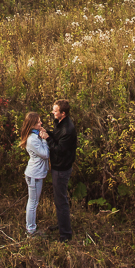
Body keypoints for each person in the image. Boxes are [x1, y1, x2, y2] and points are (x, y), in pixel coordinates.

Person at [44, 99, 77, 242]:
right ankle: (62, 225)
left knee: (61, 201)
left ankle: (65, 235)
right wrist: (48, 133)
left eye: (55, 111)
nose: (53, 112)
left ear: (62, 113)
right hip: (59, 167)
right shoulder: (60, 124)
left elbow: (59, 149)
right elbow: (57, 138)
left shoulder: (68, 129)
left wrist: (47, 139)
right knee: (59, 199)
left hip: (61, 169)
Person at [19, 112, 50, 237]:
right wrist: (45, 140)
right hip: (34, 175)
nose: (41, 123)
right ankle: (31, 230)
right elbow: (45, 154)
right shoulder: (33, 139)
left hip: (36, 173)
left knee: (33, 202)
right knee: (33, 203)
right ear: (32, 124)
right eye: (38, 122)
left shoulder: (34, 136)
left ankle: (31, 229)